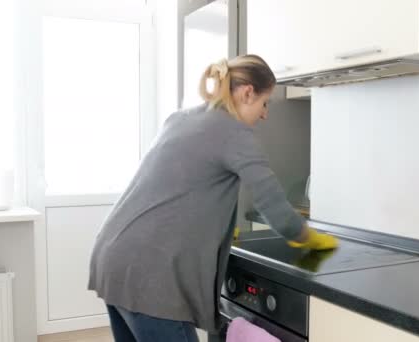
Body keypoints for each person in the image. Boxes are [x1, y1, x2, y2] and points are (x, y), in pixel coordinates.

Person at [88, 54, 337, 342]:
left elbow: (177, 189)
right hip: (151, 276)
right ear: (247, 93)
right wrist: (312, 239)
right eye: (265, 102)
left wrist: (218, 229)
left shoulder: (181, 118)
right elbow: (275, 207)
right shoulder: (235, 133)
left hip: (114, 257)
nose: (265, 113)